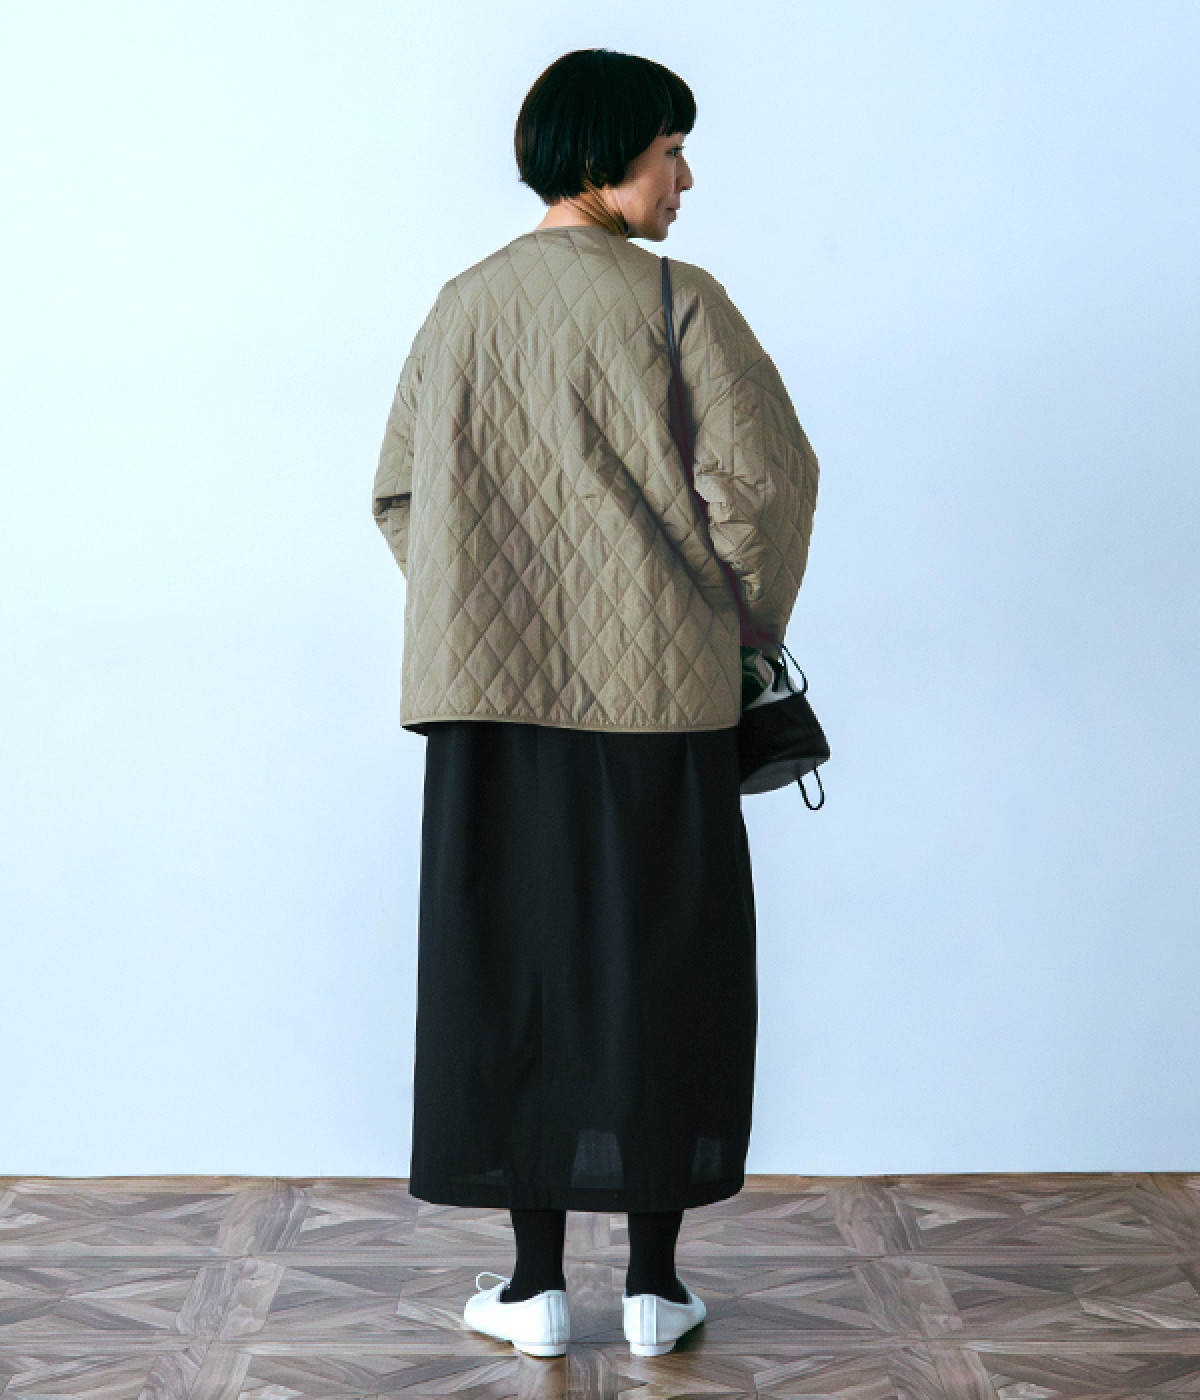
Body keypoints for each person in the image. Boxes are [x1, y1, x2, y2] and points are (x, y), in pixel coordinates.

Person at [371, 47, 819, 1359]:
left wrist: (478, 597)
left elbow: (400, 495)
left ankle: (532, 1290)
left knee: (512, 973)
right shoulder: (679, 302)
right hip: (662, 702)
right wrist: (736, 624)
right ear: (602, 155)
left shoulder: (462, 307)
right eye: (670, 150)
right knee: (662, 971)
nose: (687, 178)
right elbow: (765, 488)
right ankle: (655, 1289)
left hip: (487, 703)